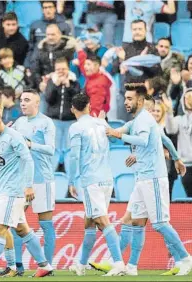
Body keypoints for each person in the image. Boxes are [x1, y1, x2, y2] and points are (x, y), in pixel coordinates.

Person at [105, 86, 192, 276]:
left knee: (160, 223)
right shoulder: (138, 120)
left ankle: (185, 258)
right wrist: (105, 128)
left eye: (129, 98)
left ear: (139, 100)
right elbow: (164, 139)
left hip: (153, 177)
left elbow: (143, 141)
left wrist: (118, 135)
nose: (125, 102)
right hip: (142, 179)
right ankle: (131, 267)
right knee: (137, 222)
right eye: (125, 98)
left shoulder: (144, 120)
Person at [0, 108, 53, 278]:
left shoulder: (13, 137)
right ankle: (45, 265)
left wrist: (28, 186)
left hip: (13, 192)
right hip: (4, 191)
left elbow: (28, 160)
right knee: (22, 230)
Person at [68, 94, 125, 276]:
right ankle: (81, 264)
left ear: (72, 109)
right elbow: (116, 138)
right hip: (107, 179)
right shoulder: (101, 123)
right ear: (89, 106)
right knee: (90, 221)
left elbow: (75, 155)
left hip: (91, 180)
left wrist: (70, 180)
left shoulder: (76, 127)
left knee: (101, 220)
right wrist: (104, 123)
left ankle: (118, 263)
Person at [12, 88, 56, 268]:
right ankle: (17, 265)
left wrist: (30, 144)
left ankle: (47, 266)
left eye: (27, 100)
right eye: (21, 100)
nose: (23, 103)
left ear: (37, 103)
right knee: (15, 222)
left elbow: (51, 149)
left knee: (45, 224)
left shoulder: (46, 123)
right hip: (22, 181)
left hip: (42, 179)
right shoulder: (18, 122)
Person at [164, 88, 192, 198]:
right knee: (191, 200)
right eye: (187, 98)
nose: (190, 100)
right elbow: (170, 130)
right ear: (183, 101)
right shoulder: (179, 119)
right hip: (187, 166)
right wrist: (169, 112)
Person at [45, 57, 79, 172]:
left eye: (63, 69)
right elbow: (48, 99)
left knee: (70, 150)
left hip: (71, 121)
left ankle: (70, 180)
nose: (61, 71)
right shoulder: (51, 81)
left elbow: (78, 100)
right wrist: (56, 86)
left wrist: (68, 86)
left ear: (68, 69)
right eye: (58, 69)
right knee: (54, 150)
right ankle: (52, 177)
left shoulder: (74, 81)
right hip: (54, 121)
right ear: (55, 69)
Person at [32, 24, 76, 92]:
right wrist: (40, 83)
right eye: (48, 34)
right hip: (46, 85)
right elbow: (35, 69)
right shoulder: (40, 49)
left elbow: (73, 69)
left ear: (60, 34)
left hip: (66, 85)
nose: (50, 37)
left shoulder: (69, 49)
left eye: (53, 34)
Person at [26, 0, 71, 66]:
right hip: (37, 63)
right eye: (45, 8)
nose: (47, 10)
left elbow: (68, 48)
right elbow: (31, 48)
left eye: (50, 7)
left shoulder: (64, 26)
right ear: (42, 10)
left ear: (55, 9)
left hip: (57, 63)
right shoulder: (35, 25)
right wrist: (27, 65)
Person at [76, 42, 112, 117]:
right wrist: (79, 50)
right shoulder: (93, 75)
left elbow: (96, 107)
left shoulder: (98, 83)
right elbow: (82, 64)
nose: (85, 67)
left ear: (97, 66)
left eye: (88, 64)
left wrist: (90, 121)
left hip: (95, 119)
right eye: (86, 64)